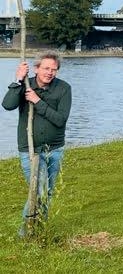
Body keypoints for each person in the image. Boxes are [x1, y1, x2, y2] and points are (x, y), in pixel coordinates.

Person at [2, 52, 71, 237]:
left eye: (54, 69)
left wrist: (37, 101)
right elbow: (7, 105)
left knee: (47, 192)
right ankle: (25, 233)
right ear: (36, 69)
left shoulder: (64, 88)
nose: (49, 72)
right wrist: (18, 80)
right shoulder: (25, 85)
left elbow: (60, 120)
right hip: (30, 149)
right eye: (46, 68)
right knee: (38, 191)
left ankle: (40, 230)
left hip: (55, 149)